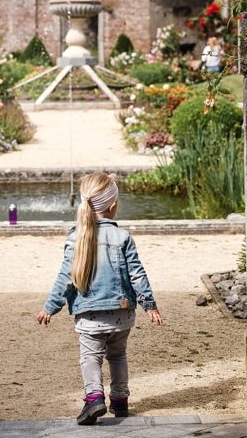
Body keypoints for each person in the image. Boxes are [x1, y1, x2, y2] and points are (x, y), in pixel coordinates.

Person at [36, 172, 164, 425]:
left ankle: (94, 398)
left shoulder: (76, 238)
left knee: (91, 357)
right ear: (113, 205)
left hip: (90, 317)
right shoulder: (122, 237)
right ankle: (120, 401)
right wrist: (150, 305)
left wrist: (51, 307)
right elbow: (137, 274)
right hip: (122, 313)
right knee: (117, 355)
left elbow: (65, 278)